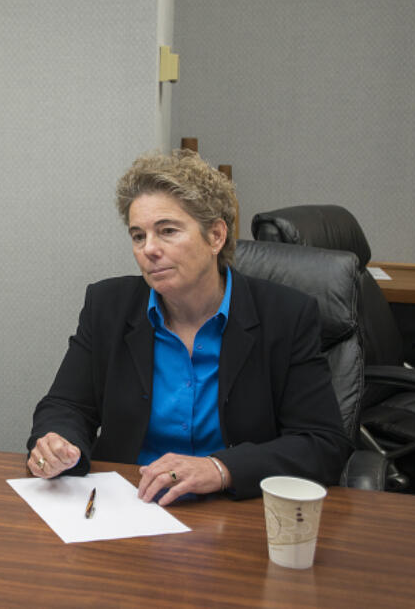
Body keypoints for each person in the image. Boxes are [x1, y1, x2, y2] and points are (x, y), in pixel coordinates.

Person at [27, 149, 351, 504]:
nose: (149, 249)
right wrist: (57, 441)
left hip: (234, 511)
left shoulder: (285, 315)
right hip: (127, 506)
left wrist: (220, 468)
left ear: (215, 236)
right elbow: (66, 406)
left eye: (167, 231)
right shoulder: (107, 306)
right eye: (138, 236)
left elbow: (323, 444)